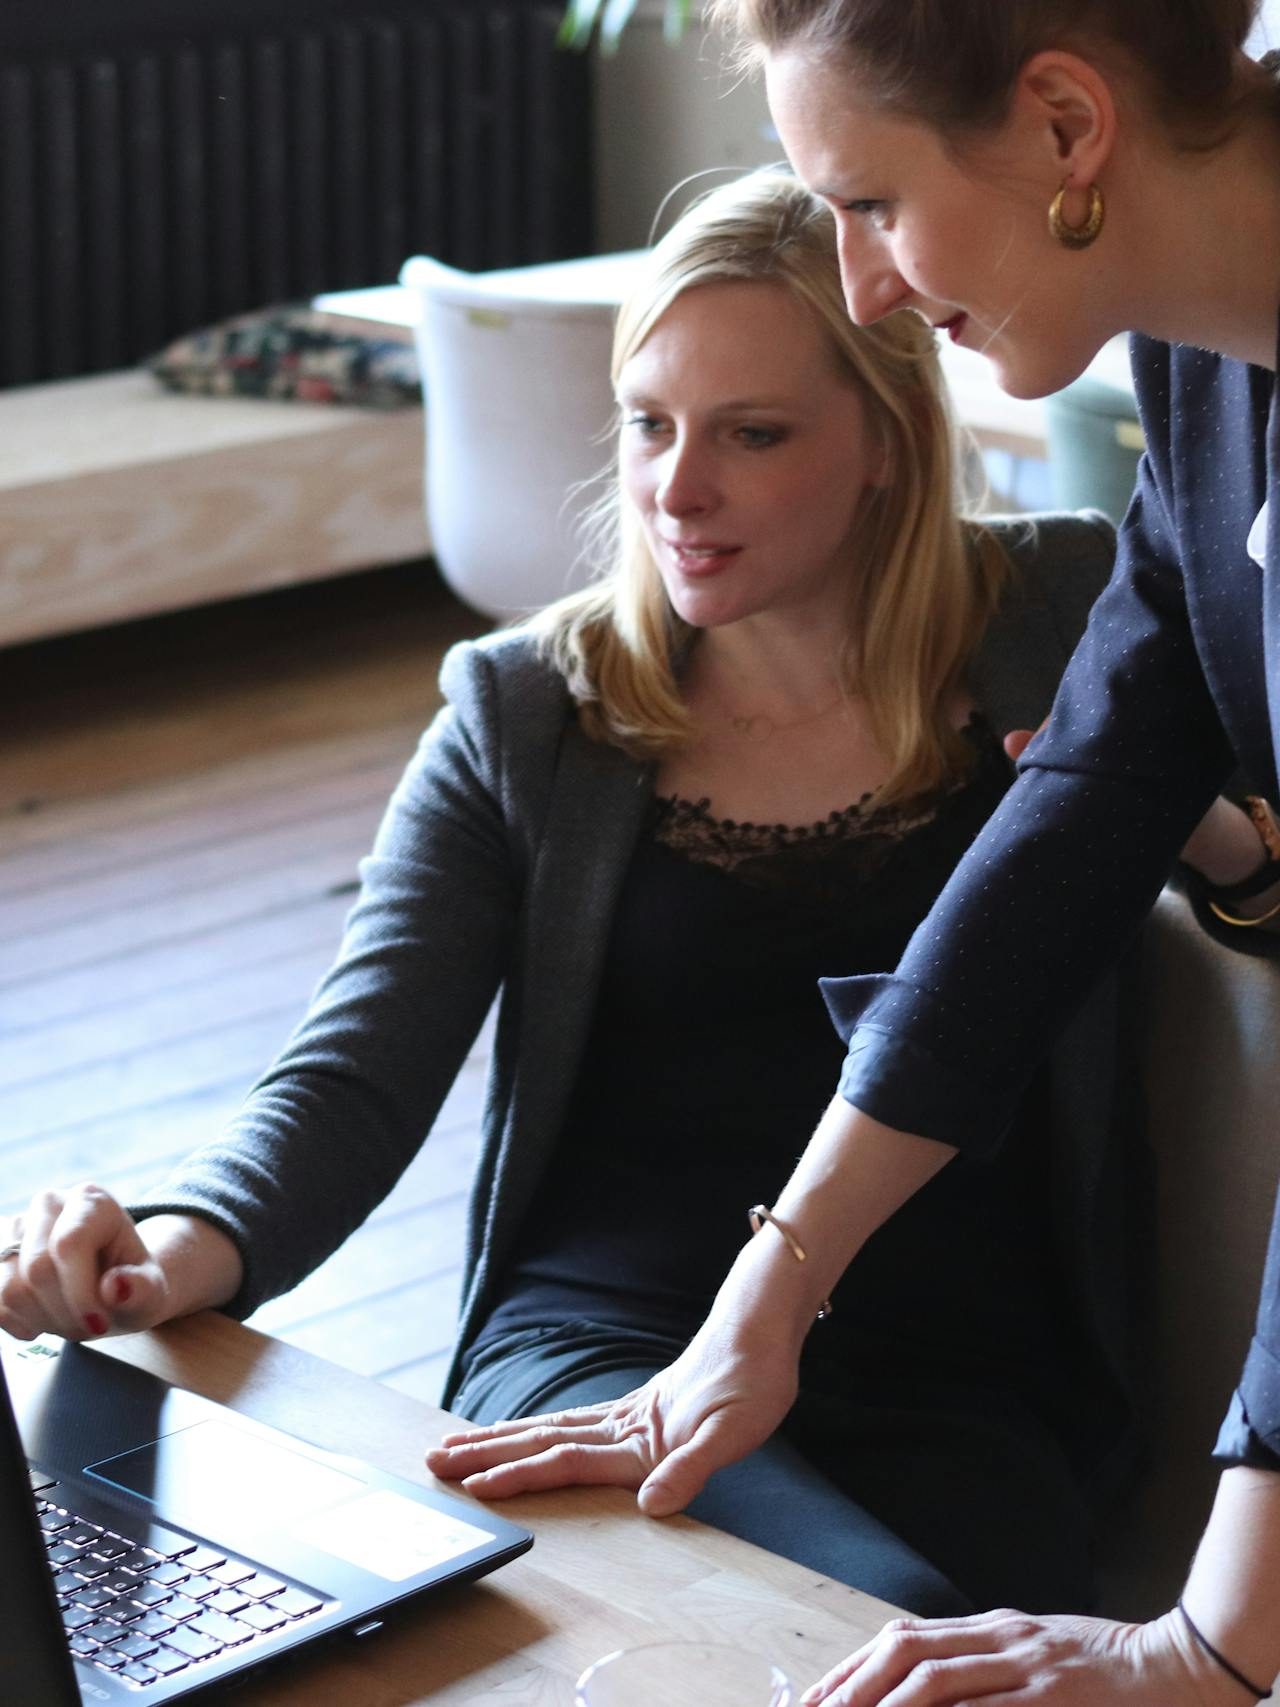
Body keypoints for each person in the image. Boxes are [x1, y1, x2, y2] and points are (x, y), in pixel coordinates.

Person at [2, 168, 1168, 1616]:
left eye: (752, 434)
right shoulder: (530, 712)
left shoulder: (1061, 614)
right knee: (858, 1618)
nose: (678, 490)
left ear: (887, 437)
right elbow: (355, 1070)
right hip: (603, 1346)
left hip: (966, 1370)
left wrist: (1228, 842)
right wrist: (167, 1248)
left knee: (905, 1624)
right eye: (648, 425)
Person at [432, 4, 1280, 1703]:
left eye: (873, 203)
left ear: (1064, 125)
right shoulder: (1201, 366)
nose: (867, 283)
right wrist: (771, 1289)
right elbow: (1081, 807)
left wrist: (1219, 1638)